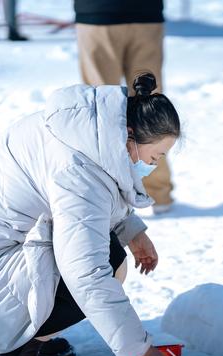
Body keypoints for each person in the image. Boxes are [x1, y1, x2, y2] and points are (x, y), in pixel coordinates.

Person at [0, 73, 177, 356]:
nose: (154, 164)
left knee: (102, 250)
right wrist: (142, 353)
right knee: (106, 261)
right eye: (155, 155)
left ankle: (31, 336)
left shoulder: (84, 131)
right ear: (130, 135)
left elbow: (98, 195)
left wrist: (130, 230)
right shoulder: (77, 167)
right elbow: (85, 271)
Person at [74, 0, 175, 214]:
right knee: (150, 105)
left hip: (97, 14)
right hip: (146, 14)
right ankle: (158, 191)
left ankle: (102, 194)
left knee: (101, 109)